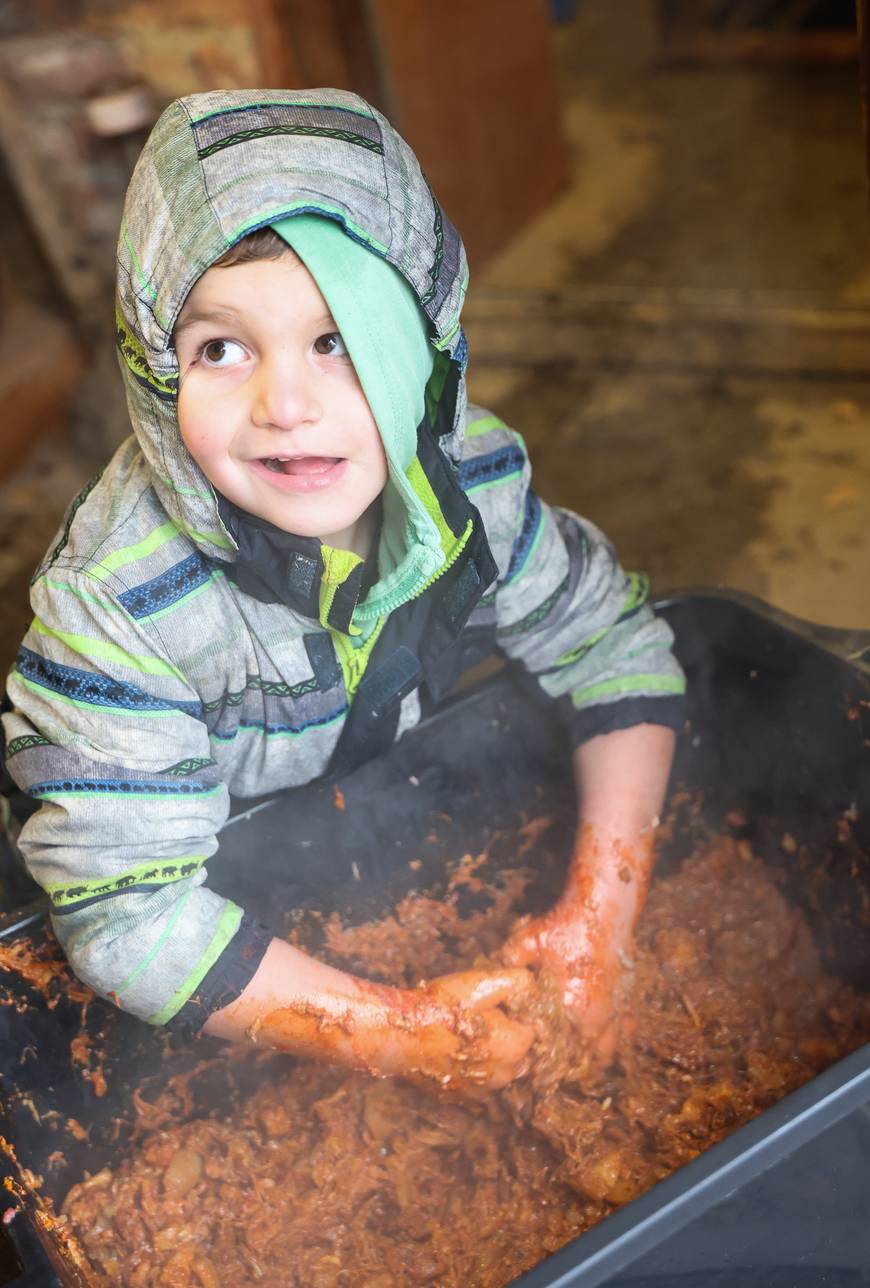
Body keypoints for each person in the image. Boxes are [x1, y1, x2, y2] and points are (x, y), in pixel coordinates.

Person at [1, 89, 684, 1094]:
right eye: (219, 349)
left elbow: (614, 648)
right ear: (155, 371)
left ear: (424, 344)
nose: (283, 405)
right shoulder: (115, 602)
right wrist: (407, 1034)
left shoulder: (474, 488)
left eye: (338, 340)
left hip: (356, 823)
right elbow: (128, 913)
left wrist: (601, 917)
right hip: (177, 893)